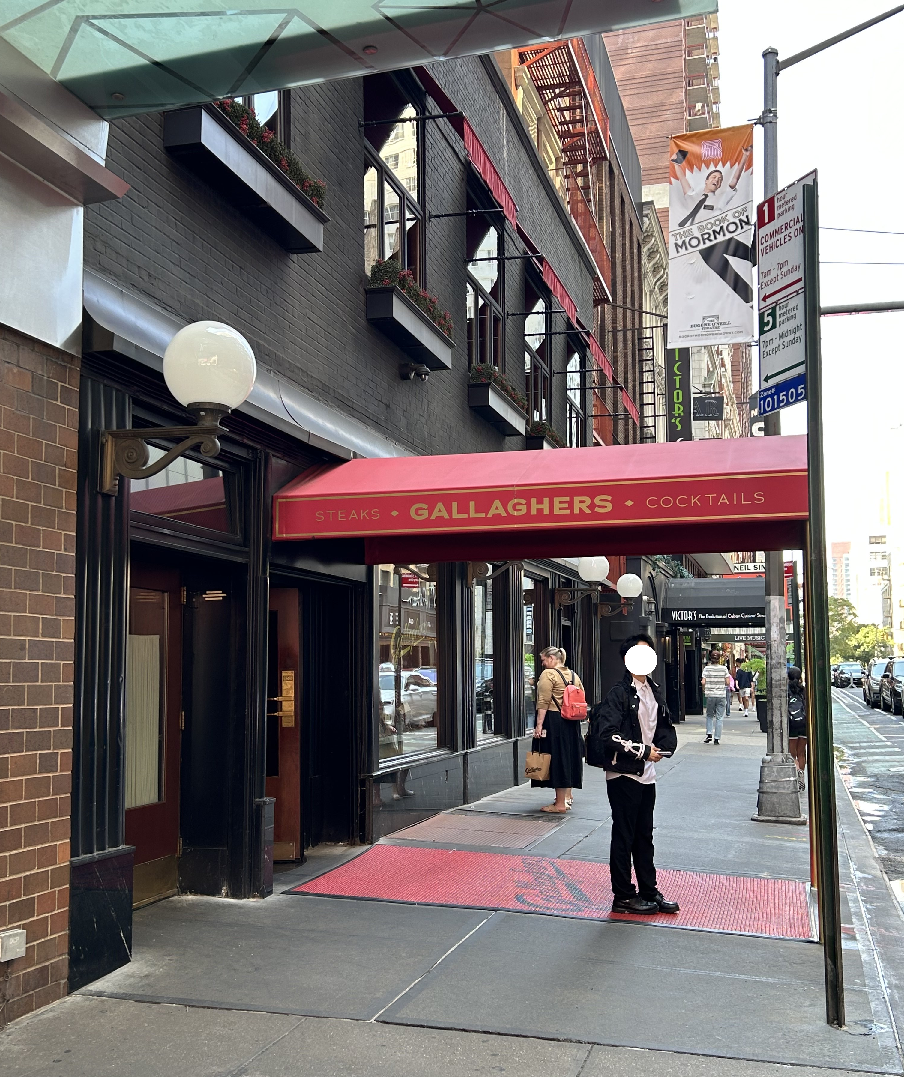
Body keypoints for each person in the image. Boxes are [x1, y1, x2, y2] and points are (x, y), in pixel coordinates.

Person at [586, 633, 679, 915]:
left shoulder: (653, 690)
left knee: (644, 836)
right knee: (624, 835)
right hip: (623, 773)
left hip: (647, 773)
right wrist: (642, 751)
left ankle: (649, 891)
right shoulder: (618, 693)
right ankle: (624, 895)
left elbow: (661, 727)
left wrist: (662, 748)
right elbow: (607, 734)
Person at [532, 646, 584, 814]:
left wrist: (539, 725)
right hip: (572, 721)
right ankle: (567, 796)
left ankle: (560, 804)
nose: (543, 664)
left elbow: (543, 701)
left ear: (552, 659)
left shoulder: (548, 674)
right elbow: (581, 695)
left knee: (556, 758)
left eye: (543, 660)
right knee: (568, 756)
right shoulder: (573, 675)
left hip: (554, 720)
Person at [701, 650, 730, 744]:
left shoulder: (706, 669)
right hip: (721, 695)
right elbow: (727, 682)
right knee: (719, 717)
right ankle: (717, 738)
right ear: (719, 658)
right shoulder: (724, 669)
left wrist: (704, 689)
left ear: (710, 658)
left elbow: (703, 682)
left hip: (710, 695)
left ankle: (709, 733)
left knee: (709, 715)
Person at [787, 665, 808, 791]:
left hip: (792, 723)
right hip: (804, 723)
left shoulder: (786, 690)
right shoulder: (804, 690)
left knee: (792, 754)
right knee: (801, 753)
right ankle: (802, 775)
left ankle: (797, 770)